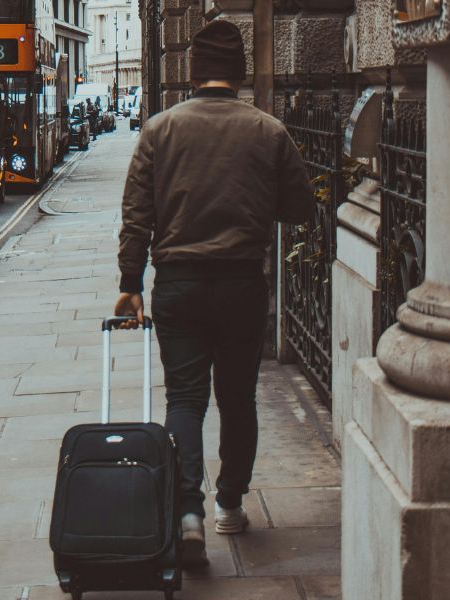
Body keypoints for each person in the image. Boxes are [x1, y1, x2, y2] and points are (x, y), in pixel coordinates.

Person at [114, 20, 317, 566]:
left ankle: (187, 515)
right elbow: (300, 209)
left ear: (193, 71)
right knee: (237, 398)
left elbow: (137, 216)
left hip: (177, 285)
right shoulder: (269, 131)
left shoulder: (159, 130)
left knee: (184, 400)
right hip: (241, 286)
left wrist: (130, 285)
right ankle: (229, 504)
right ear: (241, 72)